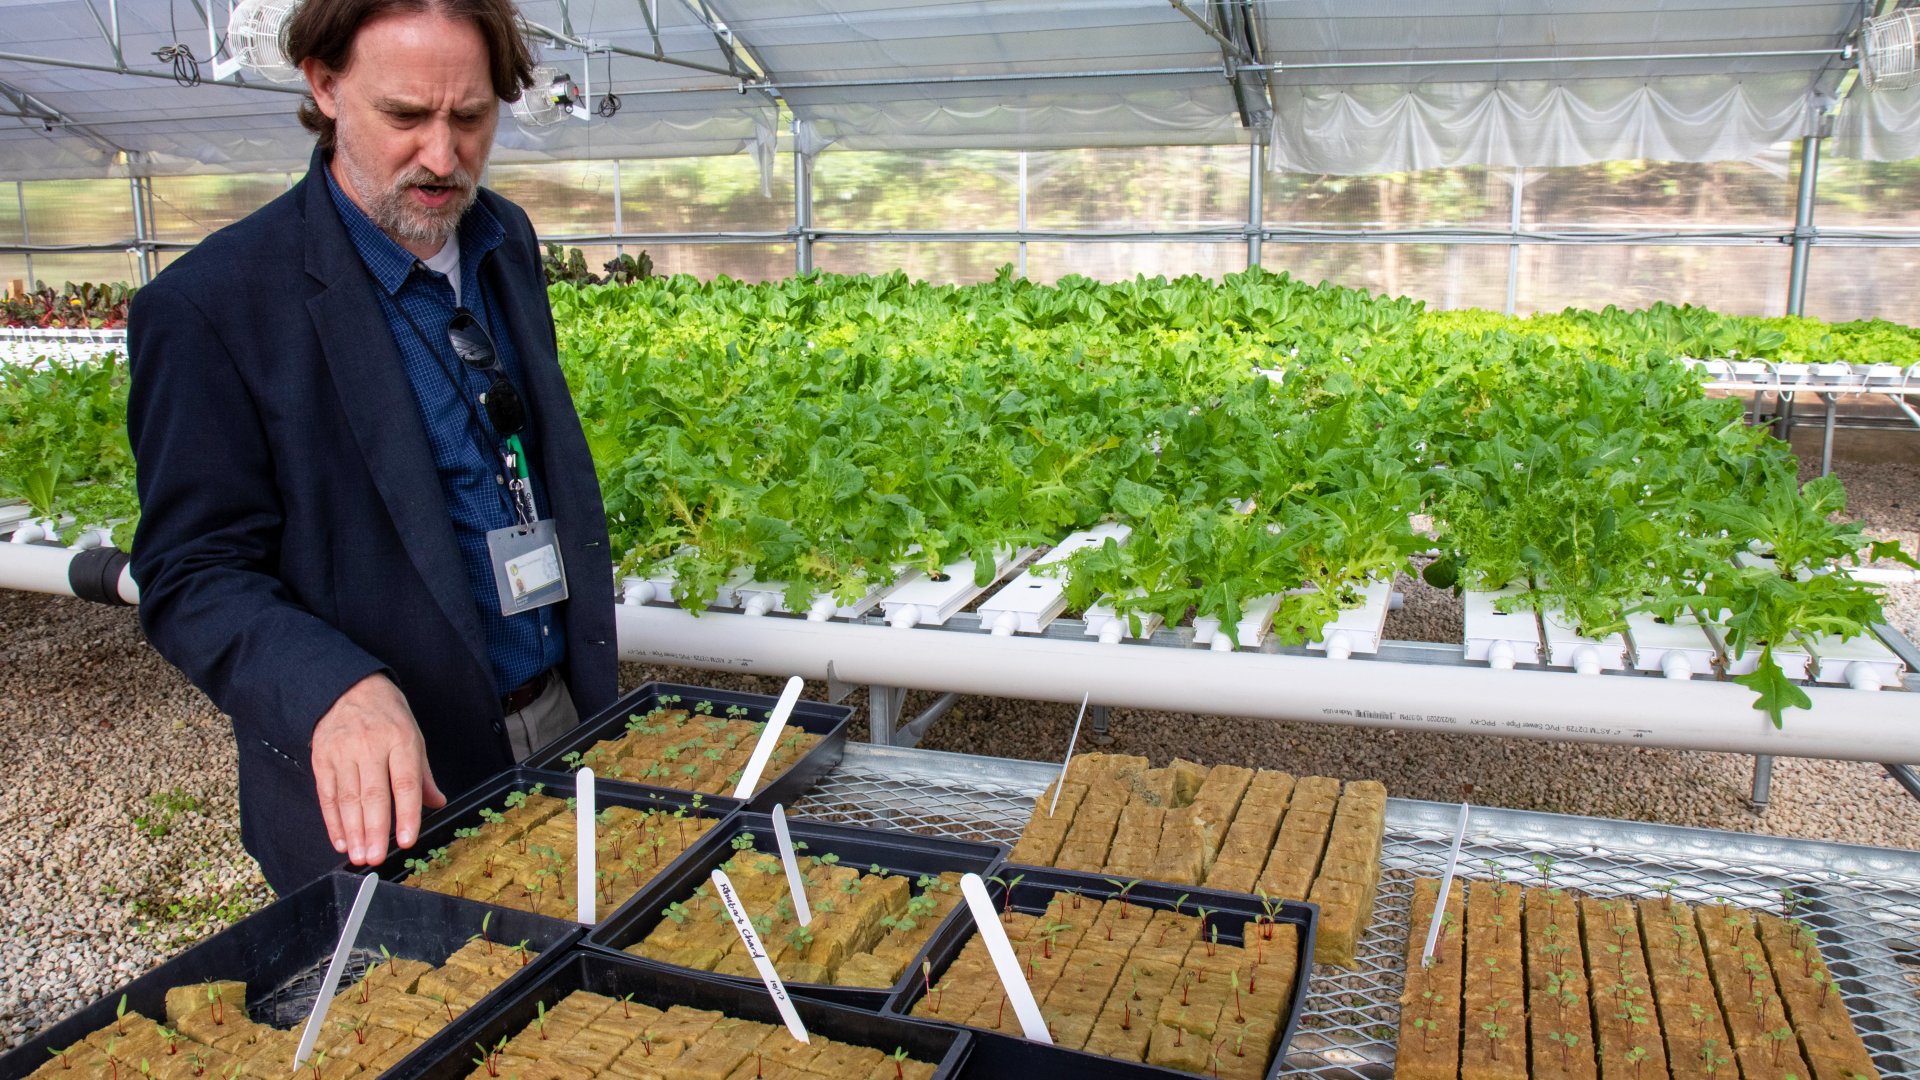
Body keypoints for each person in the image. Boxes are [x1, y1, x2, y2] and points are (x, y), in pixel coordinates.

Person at [125, 0, 618, 894]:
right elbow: (192, 572)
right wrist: (330, 688)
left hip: (560, 722)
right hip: (399, 784)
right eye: (405, 117)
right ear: (324, 83)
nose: (442, 157)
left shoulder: (503, 238)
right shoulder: (213, 305)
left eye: (471, 118)